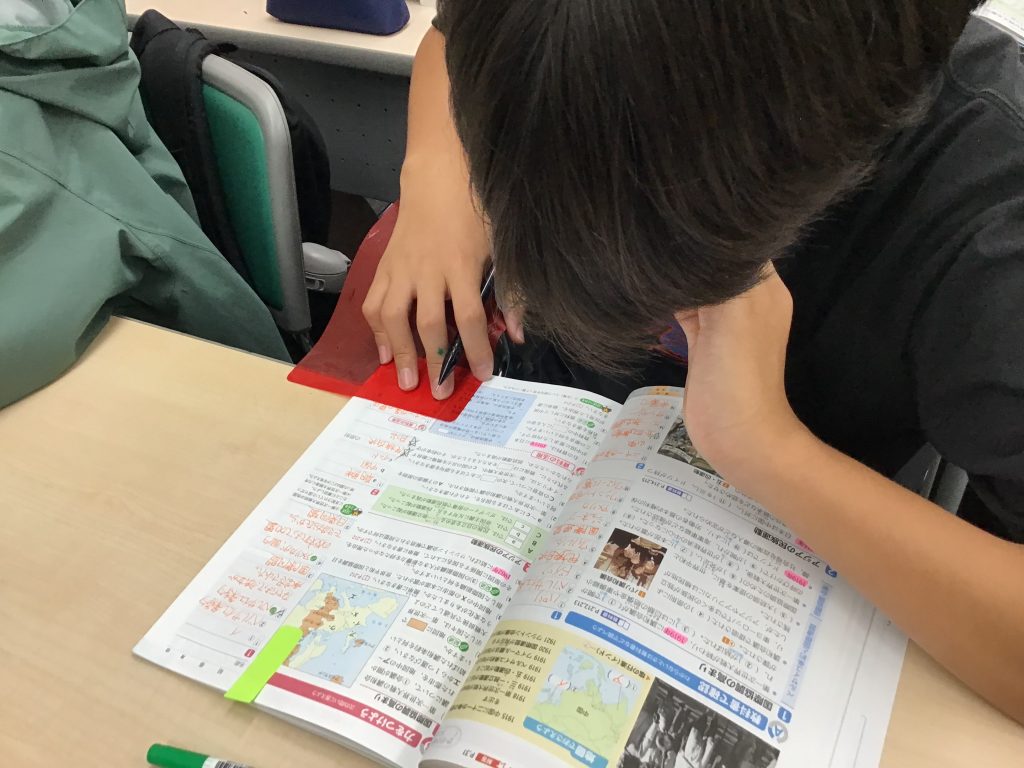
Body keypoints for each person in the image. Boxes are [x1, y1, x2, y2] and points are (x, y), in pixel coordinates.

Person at [362, 0, 1024, 721]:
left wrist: (768, 448)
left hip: (782, 547)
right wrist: (440, 175)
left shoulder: (993, 219)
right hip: (544, 446)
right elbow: (449, 36)